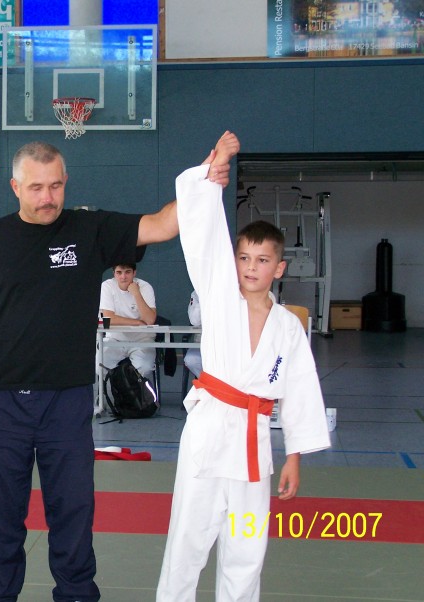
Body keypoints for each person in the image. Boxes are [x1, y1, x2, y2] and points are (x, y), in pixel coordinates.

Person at [0, 139, 232, 602]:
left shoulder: (89, 229)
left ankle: (77, 595)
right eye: (36, 188)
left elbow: (162, 224)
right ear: (15, 187)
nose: (48, 197)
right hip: (1, 403)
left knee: (73, 513)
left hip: (67, 401)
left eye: (56, 186)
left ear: (66, 183)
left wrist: (202, 179)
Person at [155, 132, 331, 601]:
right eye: (244, 258)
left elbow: (300, 390)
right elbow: (206, 238)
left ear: (279, 268)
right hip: (209, 434)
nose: (251, 267)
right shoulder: (220, 298)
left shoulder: (288, 326)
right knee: (187, 543)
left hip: (254, 446)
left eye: (262, 260)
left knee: (246, 550)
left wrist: (294, 455)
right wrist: (213, 170)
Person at [99, 262, 158, 378]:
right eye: (119, 272)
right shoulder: (107, 286)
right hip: (115, 338)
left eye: (127, 272)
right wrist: (137, 322)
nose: (123, 277)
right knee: (99, 366)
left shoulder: (145, 287)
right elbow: (108, 318)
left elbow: (150, 320)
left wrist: (136, 293)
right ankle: (112, 390)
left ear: (134, 273)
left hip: (142, 339)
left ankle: (138, 390)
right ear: (114, 274)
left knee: (144, 368)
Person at [183, 290, 202, 378]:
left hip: (229, 346)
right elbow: (194, 321)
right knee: (191, 359)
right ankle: (208, 383)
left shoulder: (235, 291)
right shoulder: (197, 292)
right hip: (201, 344)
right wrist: (203, 297)